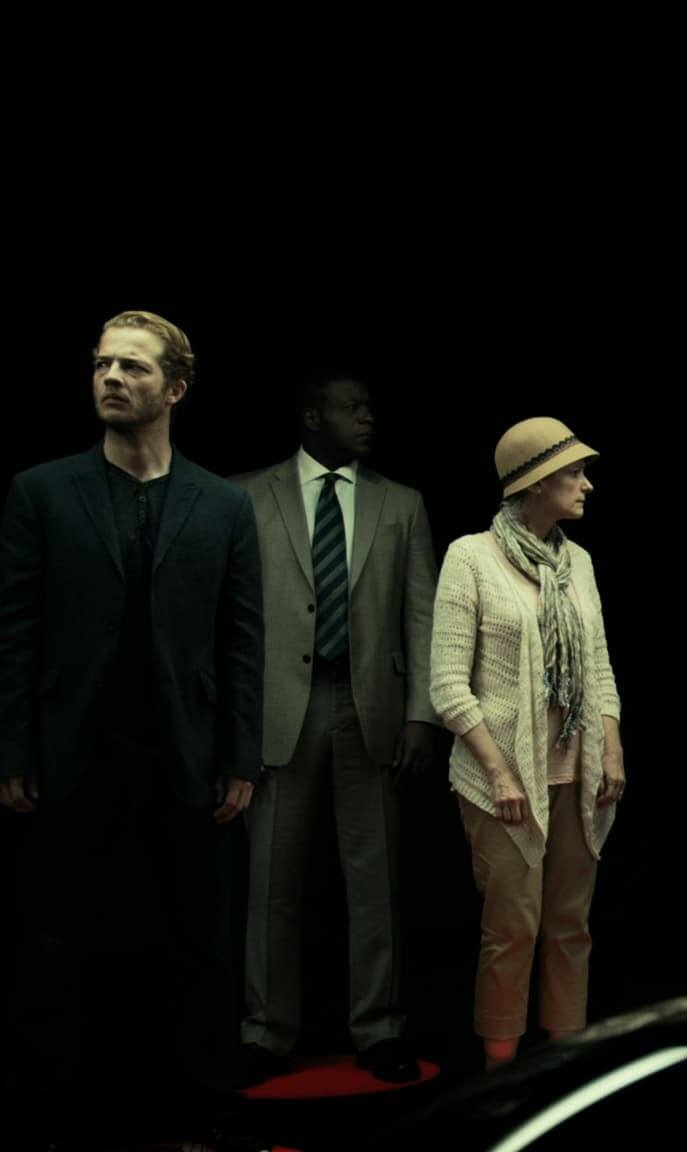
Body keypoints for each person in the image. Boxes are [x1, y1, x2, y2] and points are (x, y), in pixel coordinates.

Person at [0, 311, 263, 1140]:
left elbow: (242, 641)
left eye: (133, 367)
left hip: (186, 752)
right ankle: (56, 1110)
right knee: (59, 938)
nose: (111, 377)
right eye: (102, 364)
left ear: (175, 389)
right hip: (73, 750)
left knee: (199, 941)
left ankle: (204, 1107)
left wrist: (241, 757)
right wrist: (14, 748)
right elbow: (15, 630)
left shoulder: (223, 504)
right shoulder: (42, 490)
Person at [234, 373, 436, 1086]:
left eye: (370, 407)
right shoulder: (246, 496)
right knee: (271, 882)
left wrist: (420, 714)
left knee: (374, 878)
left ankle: (380, 1028)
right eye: (353, 408)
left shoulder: (401, 504)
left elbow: (421, 614)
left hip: (368, 706)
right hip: (277, 710)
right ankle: (265, 1033)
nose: (368, 417)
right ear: (312, 417)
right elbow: (229, 616)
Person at [430, 417, 624, 1070]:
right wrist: (500, 773)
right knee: (511, 929)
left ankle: (563, 1066)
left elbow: (598, 667)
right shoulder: (471, 558)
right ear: (536, 482)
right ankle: (502, 1074)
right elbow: (448, 686)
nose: (586, 485)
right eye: (574, 473)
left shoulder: (578, 563)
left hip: (577, 774)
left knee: (570, 926)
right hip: (503, 780)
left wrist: (612, 749)